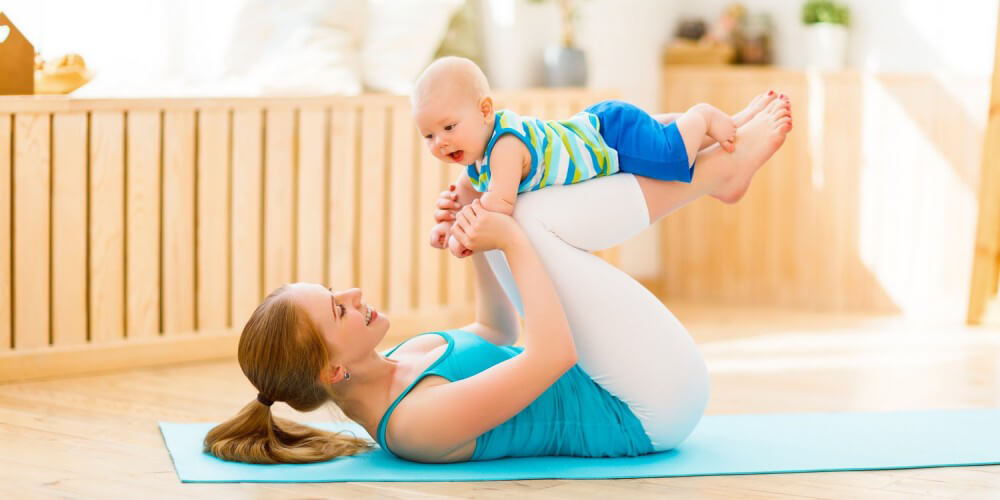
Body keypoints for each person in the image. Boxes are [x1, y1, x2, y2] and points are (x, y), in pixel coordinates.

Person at [203, 93, 792, 464]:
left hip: (613, 374)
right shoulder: (411, 426)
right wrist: (502, 233)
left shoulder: (406, 356)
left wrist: (472, 233)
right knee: (524, 219)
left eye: (334, 291)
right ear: (333, 371)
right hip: (647, 408)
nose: (352, 294)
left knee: (518, 211)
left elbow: (495, 327)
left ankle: (709, 159)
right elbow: (550, 355)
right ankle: (719, 172)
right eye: (337, 308)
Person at [417, 56, 791, 257]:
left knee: (671, 157)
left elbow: (498, 204)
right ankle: (733, 127)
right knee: (658, 140)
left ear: (485, 111)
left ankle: (703, 116)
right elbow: (467, 194)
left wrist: (463, 231)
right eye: (429, 135)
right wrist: (449, 226)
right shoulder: (476, 161)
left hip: (610, 134)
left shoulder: (504, 147)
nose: (440, 143)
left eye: (449, 128)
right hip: (596, 127)